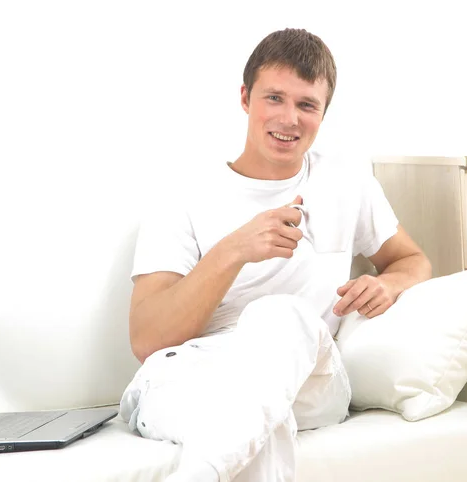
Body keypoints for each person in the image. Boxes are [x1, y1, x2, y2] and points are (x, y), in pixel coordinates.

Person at [120, 28, 432, 482]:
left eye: (307, 105)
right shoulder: (183, 195)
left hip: (308, 375)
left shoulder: (346, 181)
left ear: (324, 114)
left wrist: (388, 282)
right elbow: (147, 340)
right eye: (274, 98)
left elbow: (412, 259)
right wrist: (233, 251)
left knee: (280, 315)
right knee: (257, 424)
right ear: (245, 98)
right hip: (193, 375)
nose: (289, 119)